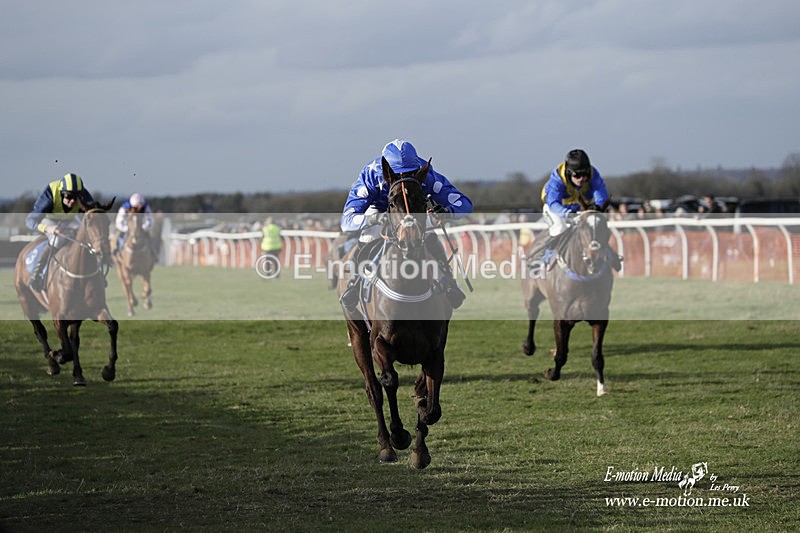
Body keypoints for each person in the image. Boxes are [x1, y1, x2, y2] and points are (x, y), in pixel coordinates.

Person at [339, 139, 473, 311]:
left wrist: (446, 211)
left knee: (429, 235)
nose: (404, 177)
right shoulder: (370, 174)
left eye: (410, 172)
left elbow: (464, 203)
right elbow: (347, 220)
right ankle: (354, 282)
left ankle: (449, 282)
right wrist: (373, 219)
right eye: (397, 173)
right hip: (380, 211)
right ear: (386, 170)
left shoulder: (426, 173)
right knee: (369, 234)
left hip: (413, 210)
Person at [537, 149, 621, 269]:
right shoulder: (557, 180)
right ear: (568, 172)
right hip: (555, 208)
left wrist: (597, 209)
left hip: (578, 208)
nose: (582, 178)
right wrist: (567, 213)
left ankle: (608, 252)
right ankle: (546, 256)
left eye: (585, 174)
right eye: (577, 175)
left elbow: (601, 196)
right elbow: (553, 203)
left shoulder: (593, 175)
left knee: (594, 225)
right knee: (559, 228)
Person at [25, 173, 96, 292]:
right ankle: (36, 275)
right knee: (57, 240)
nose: (72, 201)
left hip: (70, 219)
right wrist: (49, 229)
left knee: (87, 238)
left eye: (76, 198)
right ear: (61, 192)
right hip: (50, 219)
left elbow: (93, 216)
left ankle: (95, 274)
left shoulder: (84, 195)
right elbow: (30, 220)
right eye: (68, 196)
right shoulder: (50, 194)